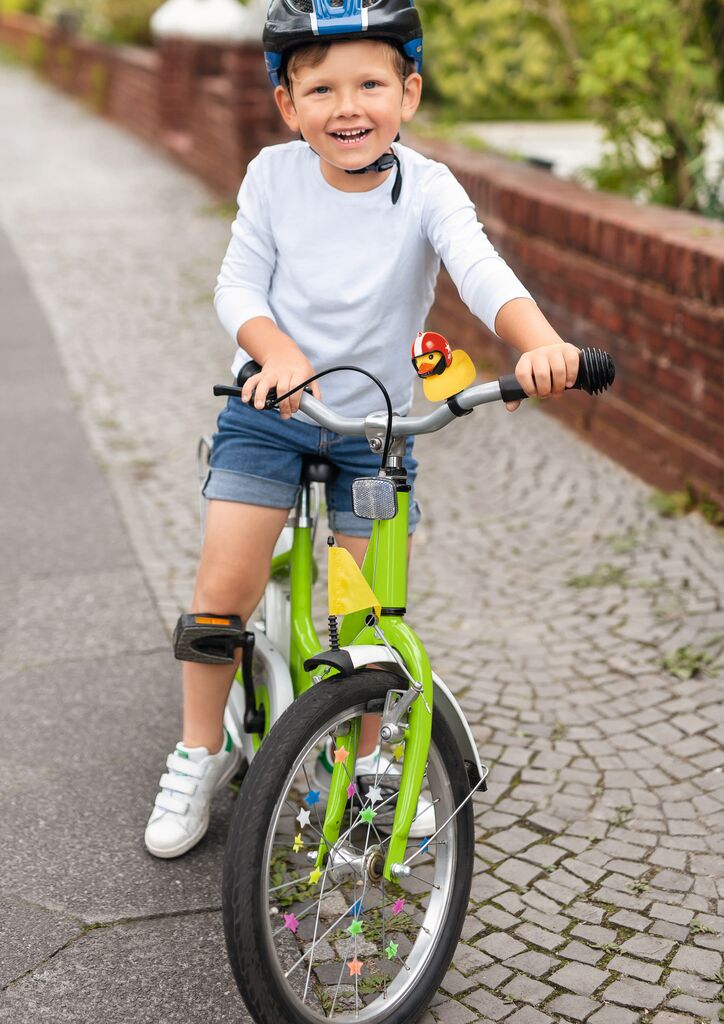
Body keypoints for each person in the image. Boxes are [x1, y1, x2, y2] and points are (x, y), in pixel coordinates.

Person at [144, 0, 581, 858]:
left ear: (408, 94)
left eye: (371, 84)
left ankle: (370, 762)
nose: (348, 107)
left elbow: (481, 271)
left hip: (374, 432)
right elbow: (238, 288)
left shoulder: (430, 189)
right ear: (288, 104)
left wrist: (541, 346)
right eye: (322, 89)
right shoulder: (272, 177)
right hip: (272, 414)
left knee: (368, 619)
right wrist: (276, 352)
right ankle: (200, 750)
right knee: (221, 596)